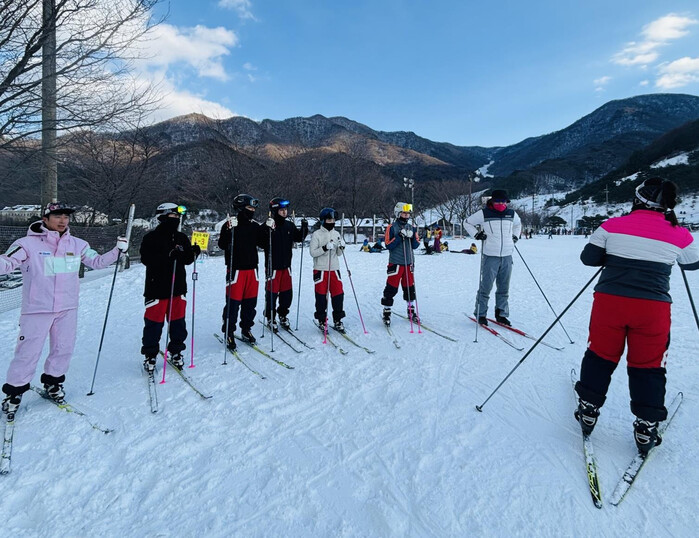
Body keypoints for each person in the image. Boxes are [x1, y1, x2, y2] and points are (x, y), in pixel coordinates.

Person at [574, 178, 699, 454]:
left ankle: (588, 409)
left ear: (637, 199)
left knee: (600, 355)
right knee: (648, 365)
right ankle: (646, 426)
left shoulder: (612, 225)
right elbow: (692, 264)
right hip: (652, 309)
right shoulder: (680, 233)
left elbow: (589, 258)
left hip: (610, 303)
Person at [1, 202, 126, 415]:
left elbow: (97, 262)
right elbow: (7, 263)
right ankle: (14, 392)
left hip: (67, 308)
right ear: (45, 219)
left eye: (66, 217)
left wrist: (117, 251)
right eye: (57, 216)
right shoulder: (26, 244)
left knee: (63, 348)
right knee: (28, 352)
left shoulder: (78, 244)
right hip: (37, 309)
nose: (62, 221)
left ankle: (53, 383)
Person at [139, 203, 199, 373]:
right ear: (163, 217)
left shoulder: (181, 237)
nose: (176, 219)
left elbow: (187, 260)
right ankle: (150, 354)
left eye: (178, 217)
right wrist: (168, 255)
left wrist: (193, 252)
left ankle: (176, 350)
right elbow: (146, 259)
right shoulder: (151, 238)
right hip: (157, 288)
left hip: (178, 288)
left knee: (178, 323)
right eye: (173, 216)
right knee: (154, 324)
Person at [218, 194, 273, 351]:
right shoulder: (230, 224)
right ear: (241, 208)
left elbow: (264, 244)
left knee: (250, 303)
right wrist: (228, 230)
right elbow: (222, 244)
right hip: (236, 270)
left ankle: (246, 329)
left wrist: (268, 229)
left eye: (253, 208)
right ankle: (229, 332)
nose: (252, 211)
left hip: (252, 269)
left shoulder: (254, 226)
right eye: (249, 208)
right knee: (233, 303)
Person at [465, 189, 522, 326]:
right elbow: (467, 222)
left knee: (504, 288)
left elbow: (518, 224)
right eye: (498, 201)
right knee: (486, 287)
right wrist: (477, 234)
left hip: (507, 255)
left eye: (503, 201)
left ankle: (501, 314)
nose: (501, 204)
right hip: (490, 255)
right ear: (492, 201)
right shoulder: (484, 213)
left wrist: (515, 236)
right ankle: (481, 314)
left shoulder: (511, 214)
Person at [263, 197, 308, 332]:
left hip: (286, 266)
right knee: (272, 294)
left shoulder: (289, 225)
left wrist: (304, 228)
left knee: (286, 294)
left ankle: (283, 315)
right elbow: (260, 241)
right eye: (281, 210)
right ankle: (270, 317)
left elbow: (298, 238)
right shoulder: (269, 225)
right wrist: (266, 229)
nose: (284, 212)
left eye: (285, 210)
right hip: (273, 267)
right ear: (275, 211)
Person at [381, 202, 420, 326]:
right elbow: (388, 245)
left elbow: (415, 245)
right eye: (404, 213)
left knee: (409, 287)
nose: (406, 215)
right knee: (391, 288)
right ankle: (387, 311)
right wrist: (399, 236)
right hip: (396, 263)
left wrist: (412, 237)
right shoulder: (391, 227)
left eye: (408, 213)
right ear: (398, 213)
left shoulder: (412, 227)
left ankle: (411, 310)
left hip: (409, 263)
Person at [309, 207, 346, 333]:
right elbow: (313, 252)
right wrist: (324, 248)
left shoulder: (336, 234)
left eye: (333, 220)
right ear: (323, 220)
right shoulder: (317, 234)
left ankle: (338, 320)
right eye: (329, 220)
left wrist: (341, 247)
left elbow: (339, 254)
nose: (332, 222)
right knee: (321, 296)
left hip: (334, 269)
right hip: (320, 269)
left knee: (338, 295)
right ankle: (321, 320)